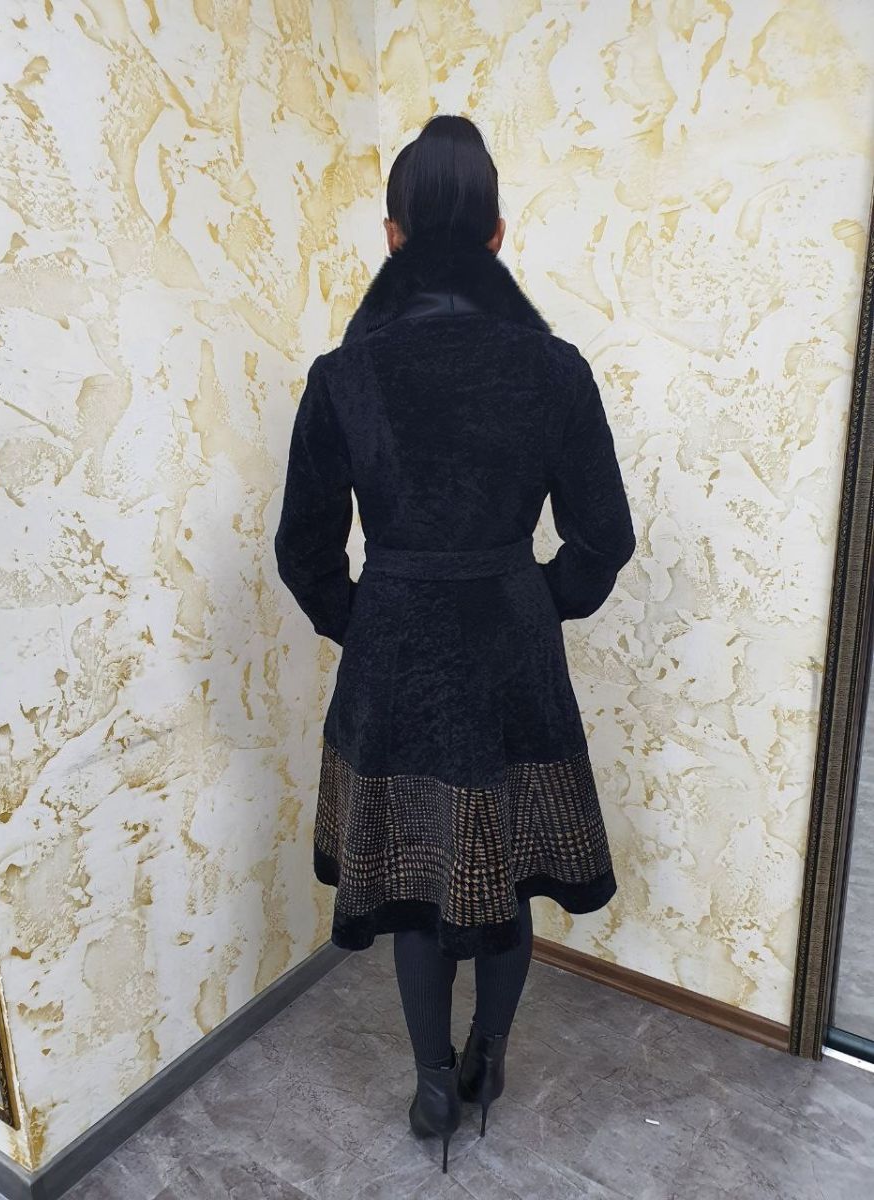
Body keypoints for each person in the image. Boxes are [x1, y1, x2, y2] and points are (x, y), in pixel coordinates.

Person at [274, 113, 636, 1173]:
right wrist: (536, 600)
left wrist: (368, 620)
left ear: (393, 237)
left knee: (414, 883)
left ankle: (433, 1083)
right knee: (507, 869)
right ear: (496, 236)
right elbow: (604, 539)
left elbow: (304, 552)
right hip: (512, 656)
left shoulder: (343, 375)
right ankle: (488, 1059)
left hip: (395, 658)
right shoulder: (555, 370)